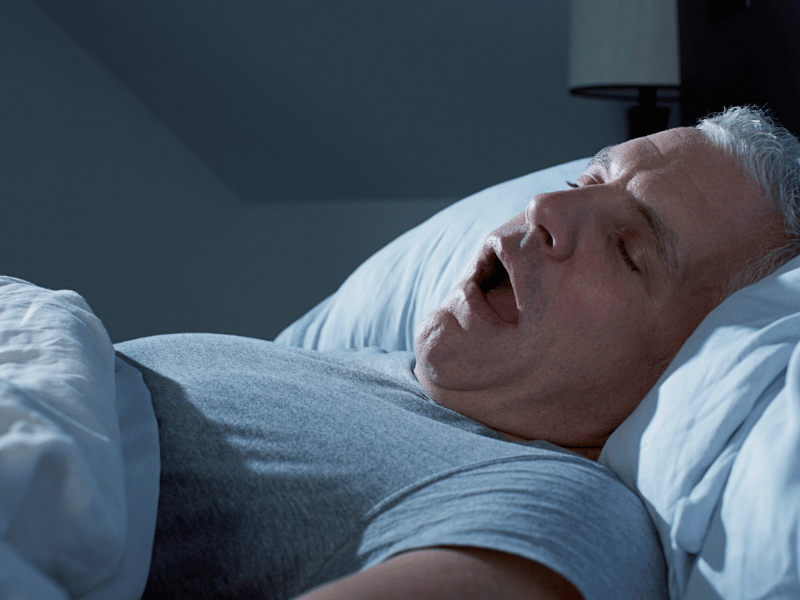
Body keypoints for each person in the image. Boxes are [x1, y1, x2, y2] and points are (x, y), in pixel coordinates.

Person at [116, 106, 800, 600]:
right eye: (585, 183)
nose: (545, 210)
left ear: (686, 360)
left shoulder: (561, 517)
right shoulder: (371, 363)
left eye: (628, 250)